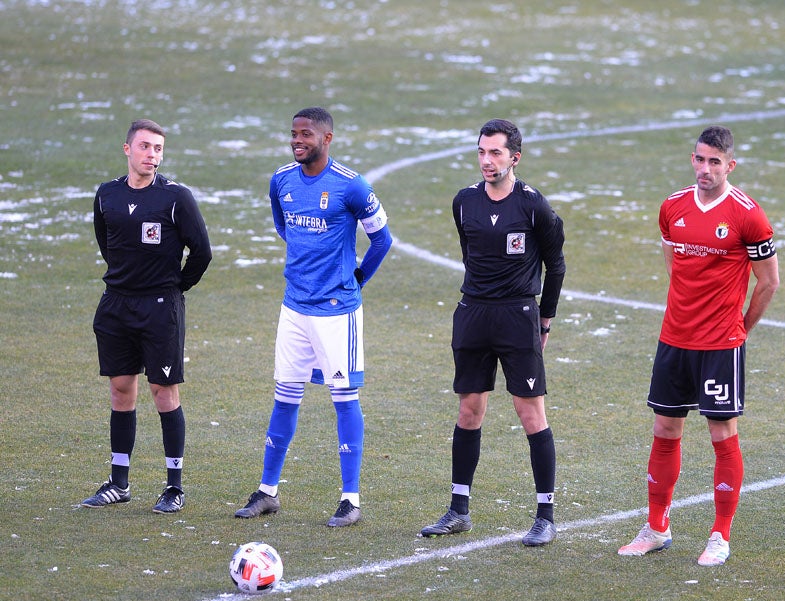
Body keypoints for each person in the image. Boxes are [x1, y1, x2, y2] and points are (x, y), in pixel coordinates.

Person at [618, 125, 779, 565]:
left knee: (721, 434)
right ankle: (656, 527)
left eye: (714, 162)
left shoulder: (749, 215)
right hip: (674, 338)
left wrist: (740, 327)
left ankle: (719, 535)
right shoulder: (672, 206)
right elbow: (675, 263)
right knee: (665, 429)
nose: (705, 168)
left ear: (730, 165)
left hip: (721, 344)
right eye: (699, 159)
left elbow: (769, 282)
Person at [234, 107, 393, 527]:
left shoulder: (351, 185)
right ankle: (267, 491)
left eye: (306, 134)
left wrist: (356, 279)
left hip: (337, 311)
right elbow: (284, 227)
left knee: (344, 400)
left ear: (327, 139)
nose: (297, 140)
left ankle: (351, 499)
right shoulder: (281, 180)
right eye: (293, 134)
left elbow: (382, 240)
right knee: (285, 395)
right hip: (294, 308)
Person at [420, 118, 566, 547]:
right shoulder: (464, 202)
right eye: (482, 151)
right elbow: (471, 255)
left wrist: (546, 319)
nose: (487, 160)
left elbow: (555, 265)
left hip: (517, 316)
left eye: (496, 152)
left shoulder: (535, 206)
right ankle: (458, 510)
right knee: (469, 411)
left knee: (530, 414)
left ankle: (545, 515)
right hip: (472, 315)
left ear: (514, 157)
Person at [84, 119, 213, 514]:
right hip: (116, 306)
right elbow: (107, 243)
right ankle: (119, 481)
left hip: (161, 308)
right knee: (121, 389)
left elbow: (202, 252)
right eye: (145, 147)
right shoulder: (107, 195)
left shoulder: (175, 198)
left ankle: (174, 486)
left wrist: (173, 288)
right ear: (128, 149)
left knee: (163, 392)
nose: (152, 156)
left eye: (158, 149)